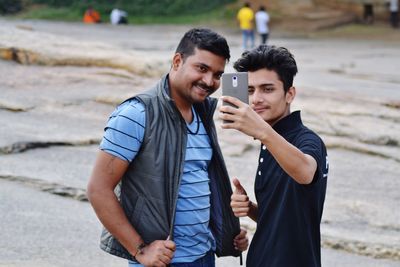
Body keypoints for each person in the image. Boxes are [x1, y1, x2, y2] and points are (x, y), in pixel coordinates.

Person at [87, 28, 248, 267]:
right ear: (177, 61)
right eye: (201, 68)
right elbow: (98, 189)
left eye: (217, 74)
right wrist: (140, 250)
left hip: (204, 256)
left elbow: (198, 183)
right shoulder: (137, 113)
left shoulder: (202, 112)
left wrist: (227, 232)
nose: (209, 81)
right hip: (164, 261)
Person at [219, 45, 329, 267]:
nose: (256, 99)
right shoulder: (269, 141)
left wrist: (261, 131)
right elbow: (283, 220)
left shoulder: (307, 140)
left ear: (290, 94)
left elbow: (306, 172)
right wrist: (249, 208)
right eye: (249, 91)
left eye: (267, 89)